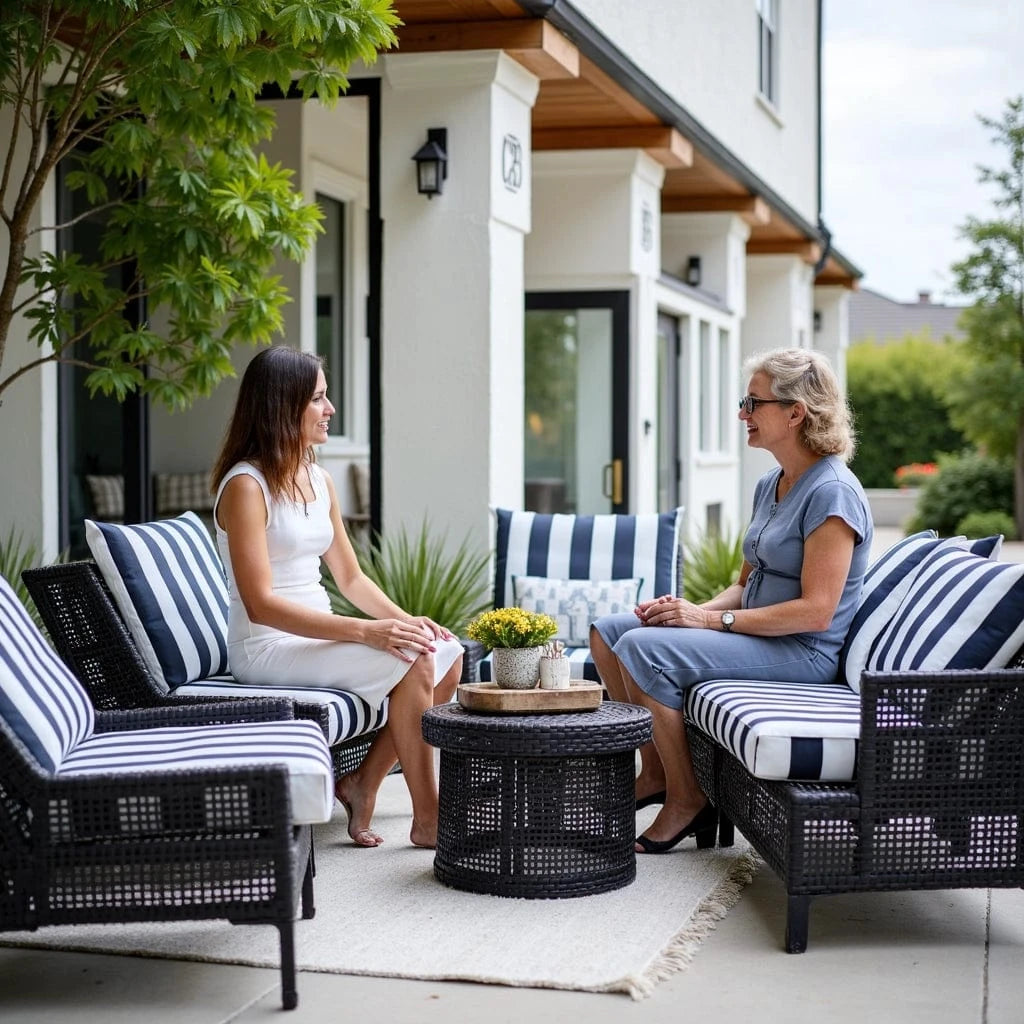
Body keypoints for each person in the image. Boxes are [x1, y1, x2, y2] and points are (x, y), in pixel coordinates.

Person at [591, 347, 872, 854]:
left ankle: (687, 798)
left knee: (643, 647)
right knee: (610, 632)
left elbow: (817, 610)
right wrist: (685, 613)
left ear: (795, 412)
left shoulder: (833, 493)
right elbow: (745, 583)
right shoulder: (772, 483)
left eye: (753, 402)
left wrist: (708, 620)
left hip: (804, 651)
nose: (743, 413)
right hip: (757, 634)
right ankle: (654, 773)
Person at [211, 346, 463, 849]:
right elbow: (260, 603)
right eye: (319, 399)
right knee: (415, 664)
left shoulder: (319, 479)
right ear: (284, 406)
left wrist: (408, 621)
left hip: (314, 638)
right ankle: (428, 817)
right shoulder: (246, 485)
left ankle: (361, 783)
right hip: (266, 648)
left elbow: (351, 579)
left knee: (442, 655)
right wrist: (367, 631)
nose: (330, 411)